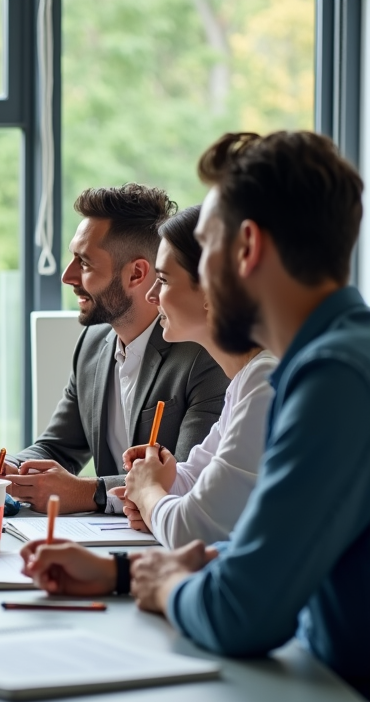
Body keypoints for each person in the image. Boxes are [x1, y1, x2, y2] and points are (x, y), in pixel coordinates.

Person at [22, 131, 370, 700]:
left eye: (203, 249)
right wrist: (122, 573)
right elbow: (264, 553)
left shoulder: (334, 379)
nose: (169, 290)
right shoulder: (327, 361)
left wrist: (163, 586)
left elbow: (243, 612)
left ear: (246, 248)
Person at [0, 183, 229, 513]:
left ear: (136, 274)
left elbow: (191, 475)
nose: (67, 276)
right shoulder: (93, 343)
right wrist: (7, 470)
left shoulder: (205, 354)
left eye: (84, 263)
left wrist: (91, 492)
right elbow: (58, 447)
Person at [110, 205, 277, 548]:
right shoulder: (246, 380)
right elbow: (198, 477)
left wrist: (149, 493)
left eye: (165, 280)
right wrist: (164, 478)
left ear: (212, 290)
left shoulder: (266, 381)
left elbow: (193, 530)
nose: (152, 295)